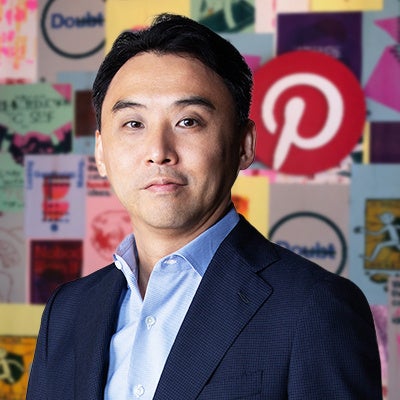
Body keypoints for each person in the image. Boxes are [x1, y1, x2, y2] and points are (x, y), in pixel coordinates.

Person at [27, 13, 382, 400]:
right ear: (100, 151)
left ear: (244, 145)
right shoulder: (67, 311)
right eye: (133, 124)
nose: (158, 152)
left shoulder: (313, 308)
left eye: (188, 121)